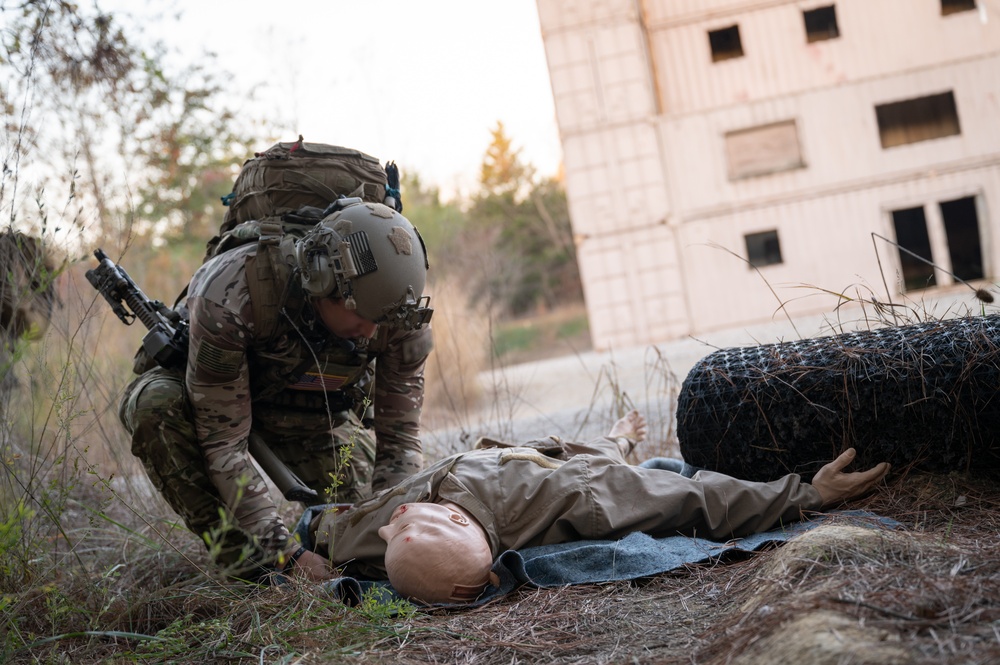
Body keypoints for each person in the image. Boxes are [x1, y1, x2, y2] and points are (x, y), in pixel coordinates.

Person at [117, 199, 434, 580]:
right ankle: (251, 570)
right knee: (155, 406)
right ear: (321, 281)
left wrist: (396, 524)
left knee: (361, 545)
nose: (371, 333)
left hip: (312, 415)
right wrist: (286, 557)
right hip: (217, 410)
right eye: (363, 317)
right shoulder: (233, 293)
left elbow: (400, 441)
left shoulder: (398, 312)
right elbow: (223, 443)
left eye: (381, 322)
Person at [299, 411, 890, 603]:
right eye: (400, 529)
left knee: (611, 461)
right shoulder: (576, 497)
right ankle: (622, 437)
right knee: (618, 469)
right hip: (559, 468)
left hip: (545, 463)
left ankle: (621, 436)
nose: (394, 522)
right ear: (454, 520)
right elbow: (691, 497)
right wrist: (807, 494)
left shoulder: (373, 543)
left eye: (395, 531)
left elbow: (324, 532)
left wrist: (303, 546)